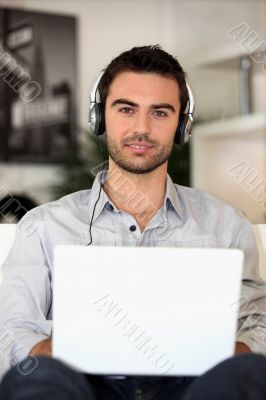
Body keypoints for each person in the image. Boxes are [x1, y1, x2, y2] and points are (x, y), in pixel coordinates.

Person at [0, 45, 266, 400]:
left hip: (192, 387)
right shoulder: (43, 226)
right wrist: (68, 357)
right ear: (100, 117)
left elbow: (257, 324)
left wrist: (225, 356)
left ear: (181, 125)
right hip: (86, 387)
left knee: (252, 373)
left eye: (160, 112)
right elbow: (14, 328)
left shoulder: (226, 224)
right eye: (126, 109)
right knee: (35, 379)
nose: (141, 128)